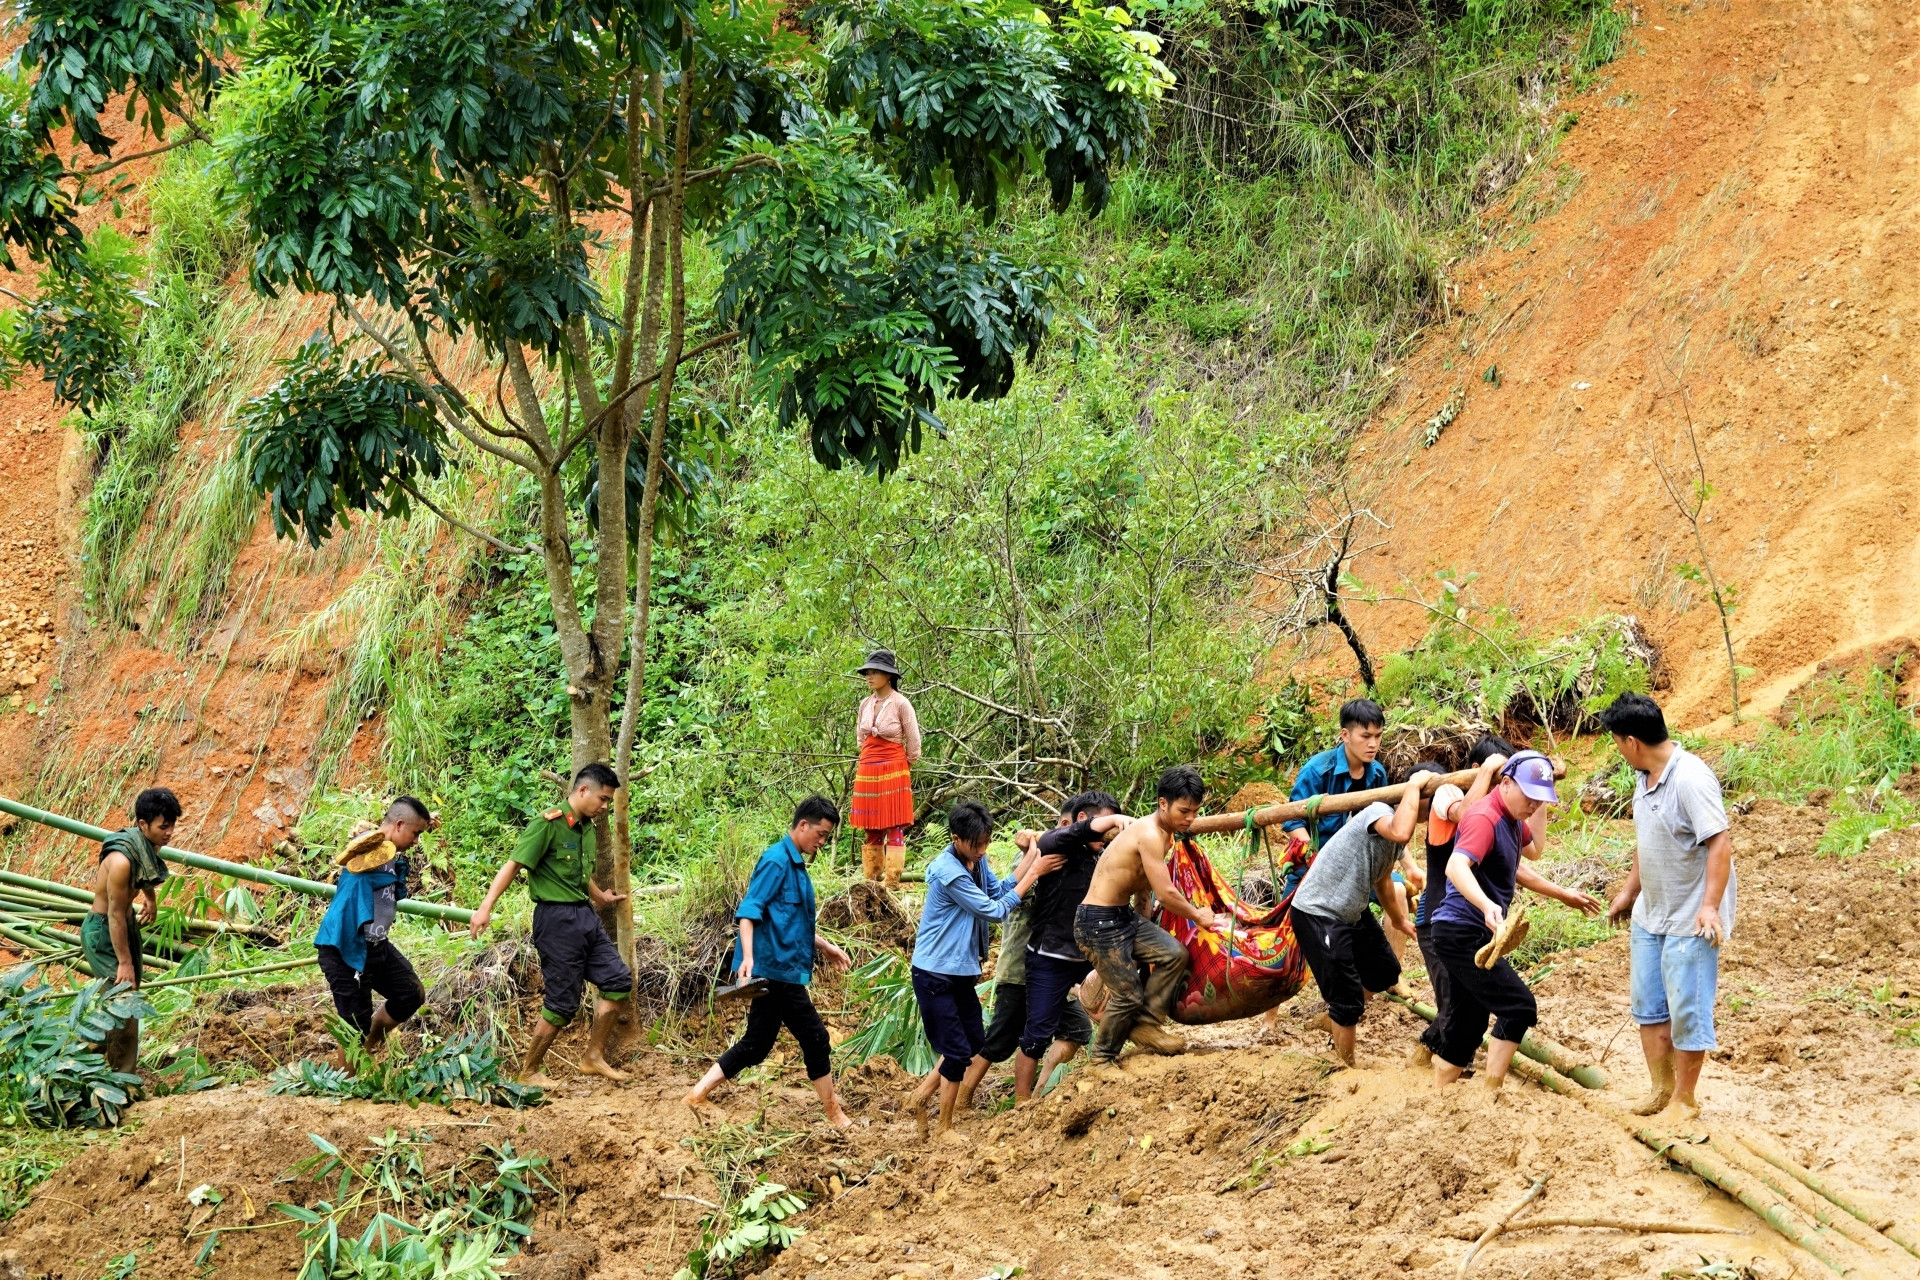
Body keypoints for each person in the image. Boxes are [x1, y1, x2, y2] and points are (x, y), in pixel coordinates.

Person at [1428, 752, 1601, 1093]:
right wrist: (1486, 904)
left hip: (1466, 931)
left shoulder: (1509, 819)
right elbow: (1455, 867)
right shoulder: (1484, 817)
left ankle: (1438, 1095)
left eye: (1541, 800)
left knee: (1469, 1020)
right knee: (1519, 1006)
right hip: (1462, 930)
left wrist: (1563, 894)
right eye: (1530, 796)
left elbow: (1528, 857)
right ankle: (1492, 1092)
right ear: (1505, 783)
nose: (1534, 805)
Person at [1601, 692, 1734, 1125]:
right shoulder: (1644, 777)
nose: (1619, 750)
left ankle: (1685, 1098)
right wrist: (1628, 892)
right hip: (1651, 914)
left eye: (1618, 742)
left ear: (1633, 741)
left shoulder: (1691, 778)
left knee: (1687, 1008)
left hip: (1690, 918)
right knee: (1649, 1006)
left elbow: (1719, 843)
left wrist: (1710, 907)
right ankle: (1660, 1088)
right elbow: (1647, 841)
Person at [685, 797, 856, 1127]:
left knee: (757, 1044)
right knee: (816, 1038)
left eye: (826, 837)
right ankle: (834, 1113)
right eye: (819, 834)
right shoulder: (777, 862)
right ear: (802, 825)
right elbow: (749, 913)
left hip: (785, 968)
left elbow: (789, 924)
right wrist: (748, 957)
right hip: (775, 971)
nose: (821, 842)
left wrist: (825, 947)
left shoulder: (794, 865)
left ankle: (697, 1094)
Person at [470, 763, 634, 1085]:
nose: (604, 807)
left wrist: (600, 896)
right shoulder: (547, 825)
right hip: (556, 921)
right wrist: (484, 907)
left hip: (585, 916)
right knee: (562, 1003)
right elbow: (514, 865)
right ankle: (528, 1071)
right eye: (602, 799)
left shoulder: (587, 828)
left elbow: (578, 874)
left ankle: (593, 1057)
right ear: (583, 790)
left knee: (617, 980)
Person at [906, 801, 1062, 1138]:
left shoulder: (975, 861)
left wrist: (1031, 859)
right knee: (958, 1051)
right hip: (934, 972)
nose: (982, 850)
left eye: (986, 843)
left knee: (975, 1039)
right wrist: (1034, 872)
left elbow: (999, 889)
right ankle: (945, 1126)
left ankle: (920, 1097)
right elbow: (992, 910)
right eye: (976, 845)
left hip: (960, 971)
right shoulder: (949, 872)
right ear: (956, 838)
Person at [942, 811, 1097, 1112]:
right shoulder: (1036, 855)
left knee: (1077, 1028)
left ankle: (1034, 1095)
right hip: (1019, 969)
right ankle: (962, 1098)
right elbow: (1009, 901)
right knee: (999, 1040)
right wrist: (1036, 870)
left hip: (1054, 969)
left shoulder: (1082, 860)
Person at [1077, 766, 1231, 1065]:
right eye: (1184, 811)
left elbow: (1144, 892)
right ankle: (1102, 1059)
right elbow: (1166, 893)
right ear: (1163, 803)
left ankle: (1147, 1023)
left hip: (1121, 917)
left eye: (1195, 812)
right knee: (1127, 994)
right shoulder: (1149, 833)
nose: (1190, 819)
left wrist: (1145, 928)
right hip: (1096, 922)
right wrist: (1199, 916)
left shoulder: (1165, 835)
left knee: (1174, 954)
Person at [1289, 768, 1434, 1066]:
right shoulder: (1378, 812)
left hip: (1350, 912)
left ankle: (1337, 1020)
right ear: (1416, 795)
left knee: (1383, 971)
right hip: (1319, 912)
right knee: (1347, 1000)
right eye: (1430, 800)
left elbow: (1381, 881)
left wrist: (1399, 920)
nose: (1432, 810)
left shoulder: (1395, 837)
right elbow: (1401, 830)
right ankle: (1346, 1066)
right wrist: (1416, 785)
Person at [1015, 791, 1127, 1100]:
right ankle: (1021, 1103)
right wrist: (1113, 821)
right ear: (1083, 820)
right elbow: (1065, 834)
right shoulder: (1056, 843)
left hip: (1088, 954)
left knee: (1113, 1008)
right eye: (1103, 826)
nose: (1106, 837)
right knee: (1036, 1035)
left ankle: (1104, 1070)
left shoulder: (1101, 855)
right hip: (1050, 955)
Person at [314, 797, 434, 1068]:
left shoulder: (390, 849)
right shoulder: (371, 847)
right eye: (416, 834)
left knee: (410, 994)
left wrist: (427, 823)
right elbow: (359, 846)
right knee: (354, 1024)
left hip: (376, 945)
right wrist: (367, 834)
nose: (417, 842)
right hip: (346, 946)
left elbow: (390, 834)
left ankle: (367, 1049)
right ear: (400, 824)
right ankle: (348, 1085)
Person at [1408, 742, 1507, 1068]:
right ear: (1479, 768)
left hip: (1464, 921)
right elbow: (1465, 813)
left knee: (1467, 998)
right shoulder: (1447, 792)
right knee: (1454, 1001)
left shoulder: (1491, 813)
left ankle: (1432, 1057)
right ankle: (1436, 1064)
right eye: (1494, 774)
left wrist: (1563, 894)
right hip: (1436, 920)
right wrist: (1489, 770)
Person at [84, 787, 180, 1073]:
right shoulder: (122, 862)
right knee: (126, 999)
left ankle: (89, 1062)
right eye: (164, 827)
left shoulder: (145, 846)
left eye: (172, 825)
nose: (170, 833)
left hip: (125, 926)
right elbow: (113, 914)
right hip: (104, 932)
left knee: (119, 998)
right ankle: (120, 1077)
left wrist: (150, 900)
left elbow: (147, 872)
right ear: (142, 825)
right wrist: (124, 962)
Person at [1280, 699, 1391, 893]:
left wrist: (1408, 865)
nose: (1373, 744)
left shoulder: (1377, 774)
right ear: (1345, 735)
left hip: (1360, 868)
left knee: (1397, 890)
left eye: (1378, 736)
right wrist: (1319, 864)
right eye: (1365, 736)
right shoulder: (1317, 770)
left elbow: (1386, 824)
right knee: (1289, 922)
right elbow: (1293, 822)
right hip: (1313, 870)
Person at [851, 649, 920, 887]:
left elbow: (913, 743)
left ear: (888, 675)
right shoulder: (865, 704)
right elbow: (860, 740)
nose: (869, 677)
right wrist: (870, 758)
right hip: (868, 768)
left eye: (875, 672)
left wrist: (901, 766)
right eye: (867, 673)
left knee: (894, 824)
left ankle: (892, 881)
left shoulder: (901, 704)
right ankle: (871, 880)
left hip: (894, 768)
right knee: (871, 825)